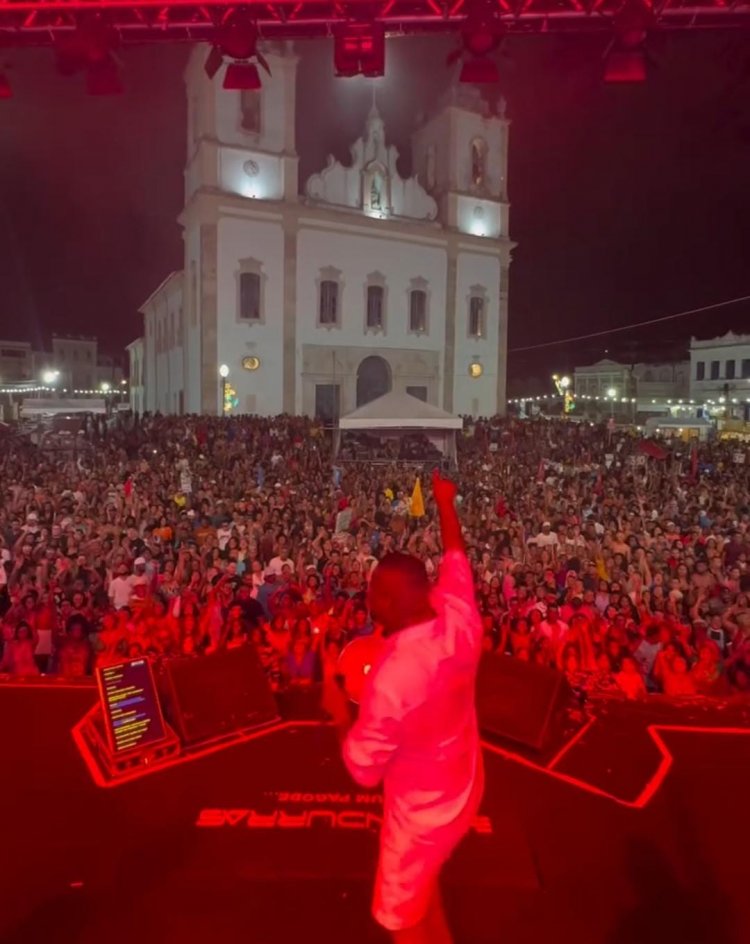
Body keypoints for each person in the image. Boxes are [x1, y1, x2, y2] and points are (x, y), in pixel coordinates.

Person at [341, 468, 484, 944]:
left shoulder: (393, 677)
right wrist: (445, 503)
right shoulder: (460, 615)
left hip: (420, 818)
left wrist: (333, 709)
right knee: (427, 890)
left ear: (388, 600)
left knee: (401, 921)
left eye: (373, 590)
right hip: (465, 783)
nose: (366, 596)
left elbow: (364, 770)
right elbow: (456, 556)